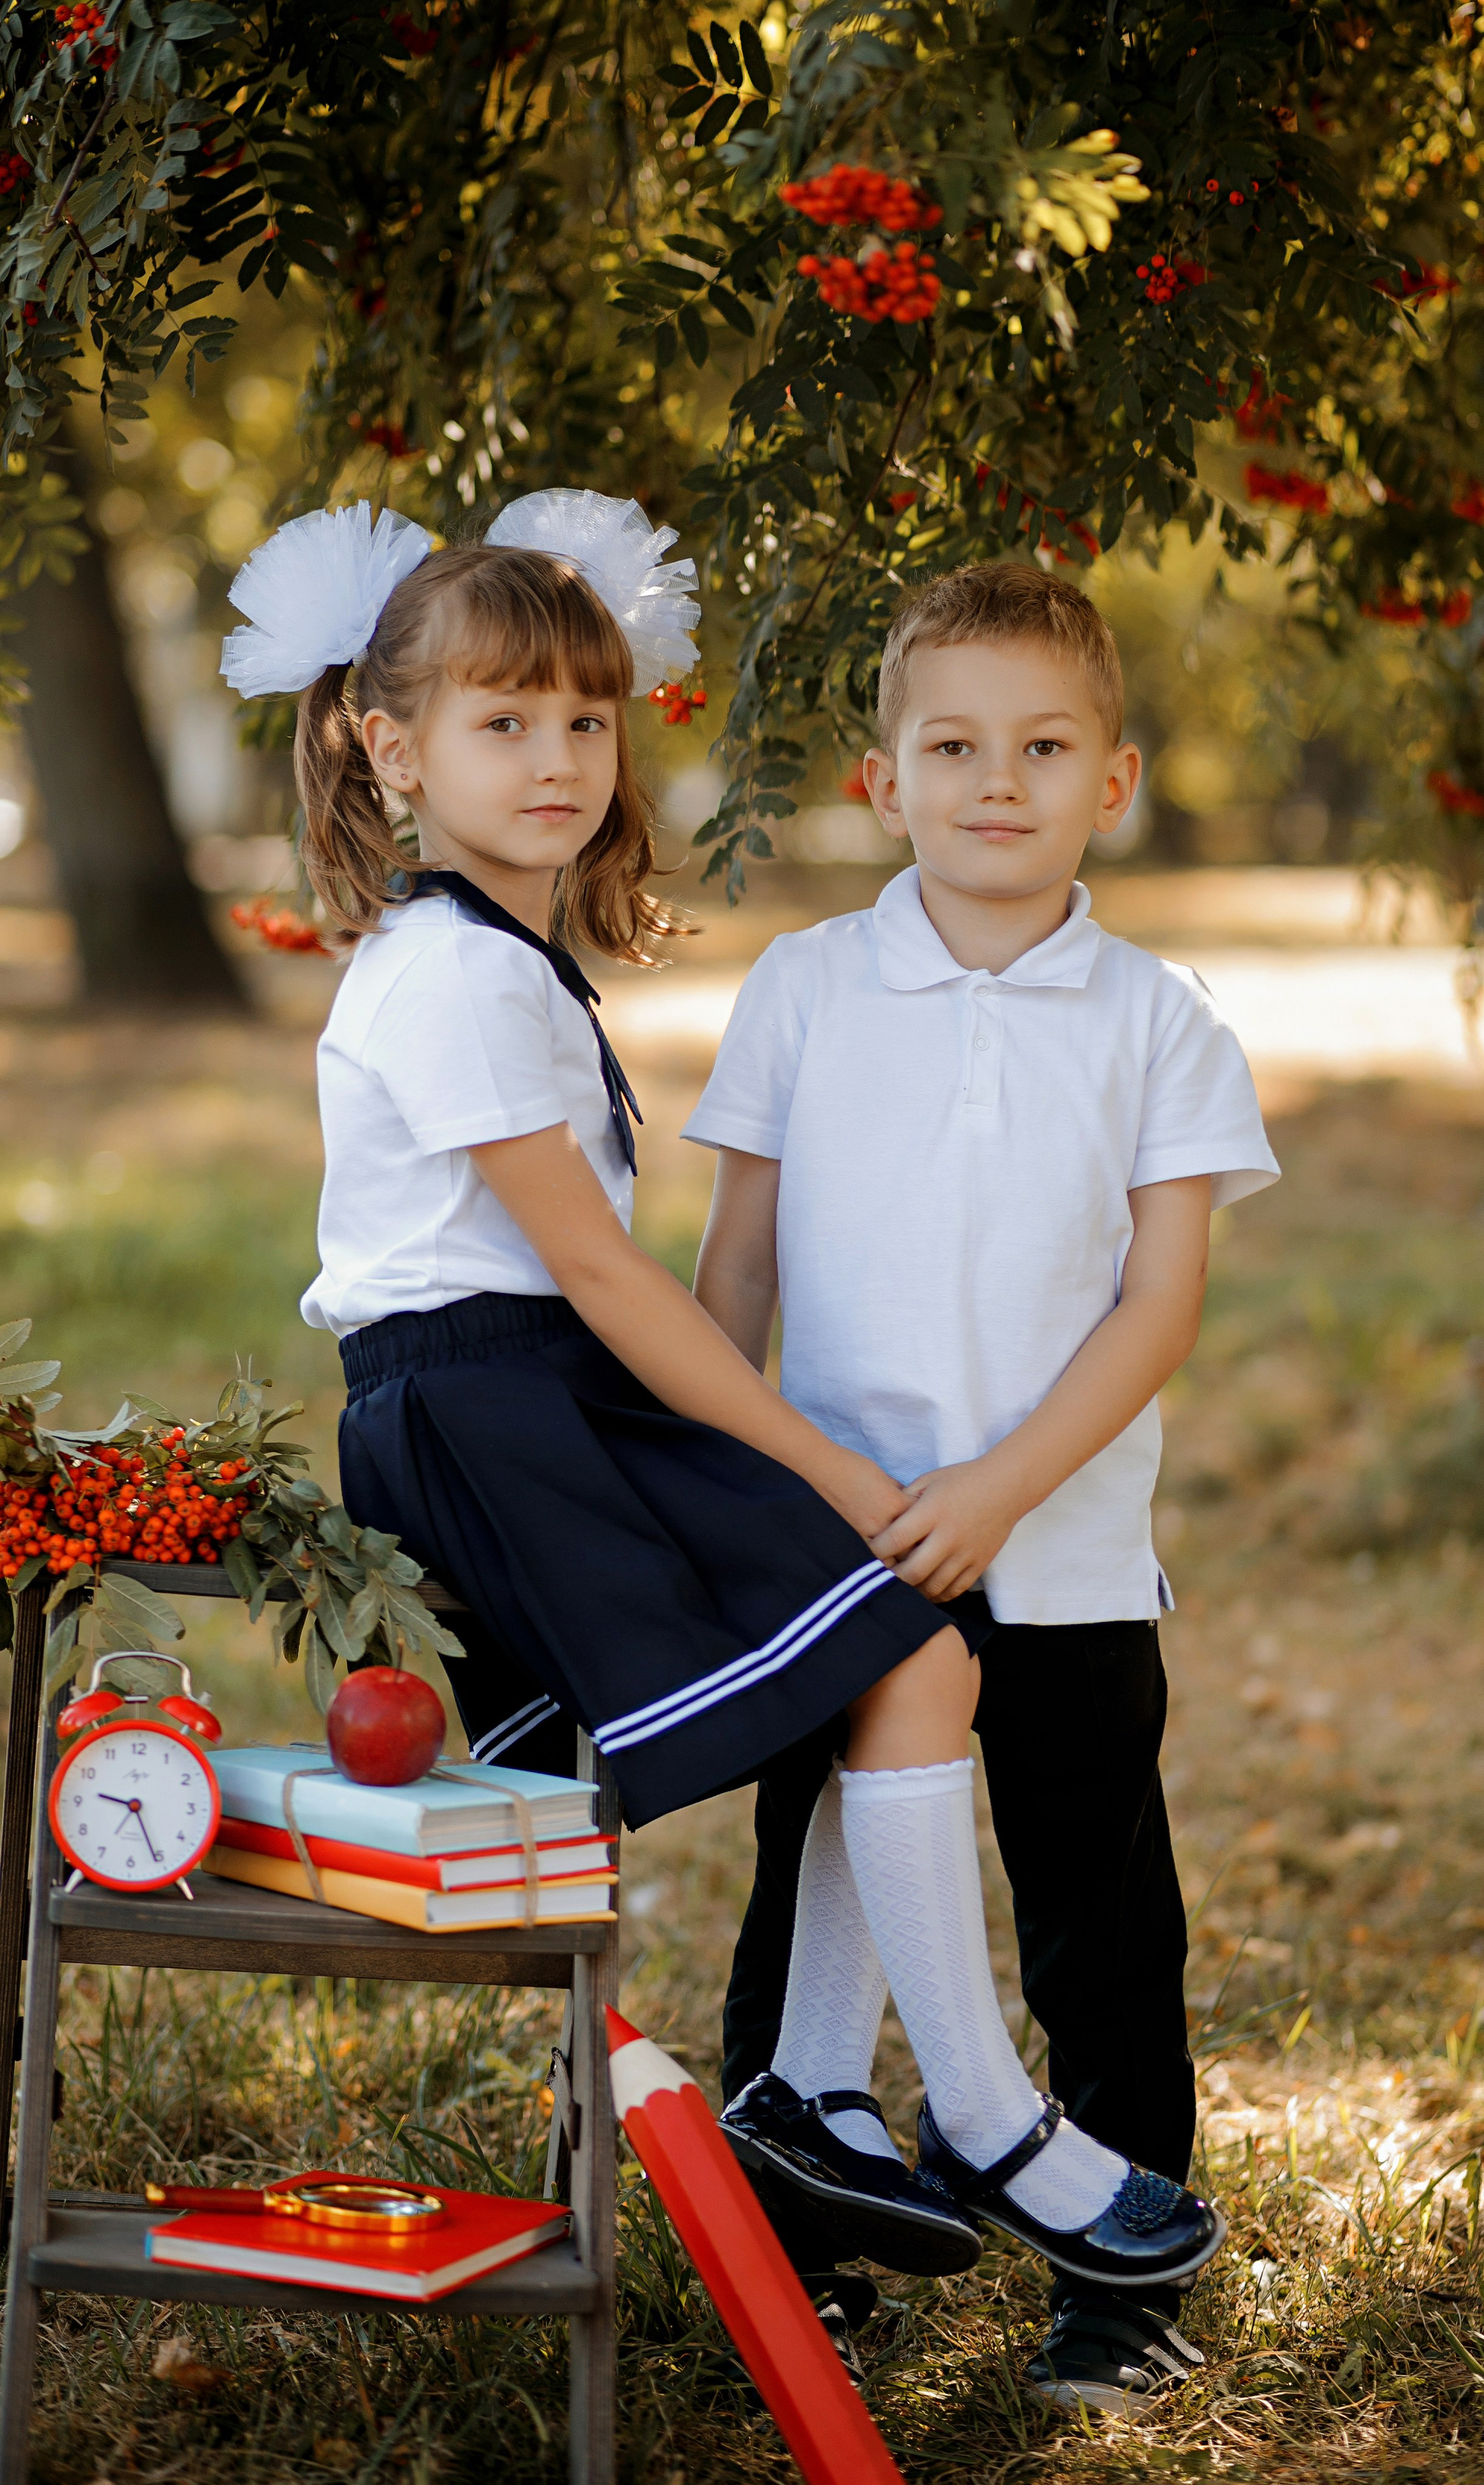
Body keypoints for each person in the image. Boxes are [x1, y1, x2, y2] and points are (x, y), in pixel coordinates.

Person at [217, 494, 1225, 2302]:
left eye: (584, 724)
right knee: (897, 1644)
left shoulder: (501, 955)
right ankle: (973, 2110)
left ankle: (813, 2091)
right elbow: (608, 1281)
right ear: (390, 745)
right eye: (502, 723)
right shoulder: (445, 966)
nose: (557, 760)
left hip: (546, 1391)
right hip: (500, 1408)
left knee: (892, 1656)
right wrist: (811, 1455)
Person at [686, 563, 1279, 2406]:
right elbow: (736, 1270)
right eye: (953, 745)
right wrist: (744, 1498)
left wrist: (1012, 1486)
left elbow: (1159, 1301)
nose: (995, 782)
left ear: (1114, 778)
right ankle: (807, 2247)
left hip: (1071, 1552)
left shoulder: (1156, 1015)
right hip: (845, 1554)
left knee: (1101, 1913)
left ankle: (1117, 2268)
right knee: (818, 1888)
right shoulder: (805, 983)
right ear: (885, 781)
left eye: (1041, 746)